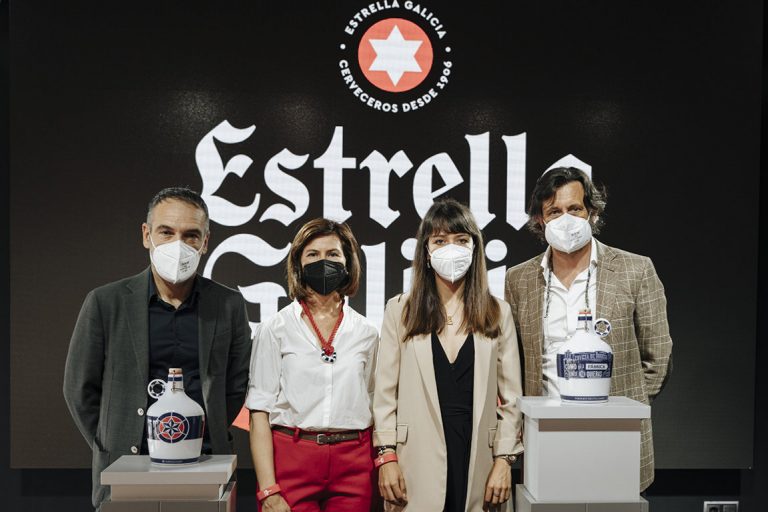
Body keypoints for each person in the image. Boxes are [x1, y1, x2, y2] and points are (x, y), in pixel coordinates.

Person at [63, 186, 252, 511]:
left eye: (191, 235)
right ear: (146, 235)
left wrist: (206, 432)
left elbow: (237, 385)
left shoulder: (228, 304)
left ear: (205, 242)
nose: (178, 245)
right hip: (125, 470)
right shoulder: (106, 302)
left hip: (206, 465)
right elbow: (79, 389)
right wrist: (114, 439)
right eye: (166, 232)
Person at [504, 167, 673, 491]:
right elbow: (514, 360)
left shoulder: (635, 270)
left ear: (592, 212)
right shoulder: (519, 279)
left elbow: (658, 358)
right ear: (540, 219)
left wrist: (626, 406)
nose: (566, 219)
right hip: (544, 435)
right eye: (554, 211)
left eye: (575, 208)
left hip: (616, 436)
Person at [373, 198, 524, 512]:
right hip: (414, 463)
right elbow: (384, 395)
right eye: (440, 241)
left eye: (461, 240)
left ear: (474, 248)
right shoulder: (400, 311)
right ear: (426, 252)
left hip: (480, 463)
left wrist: (504, 460)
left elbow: (512, 399)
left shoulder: (498, 312)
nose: (451, 249)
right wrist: (386, 456)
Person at [247, 218, 379, 512]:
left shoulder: (367, 333)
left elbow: (374, 403)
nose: (323, 261)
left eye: (333, 254)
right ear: (299, 264)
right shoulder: (275, 328)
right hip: (291, 459)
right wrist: (268, 489)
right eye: (313, 255)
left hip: (354, 462)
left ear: (348, 263)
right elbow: (259, 413)